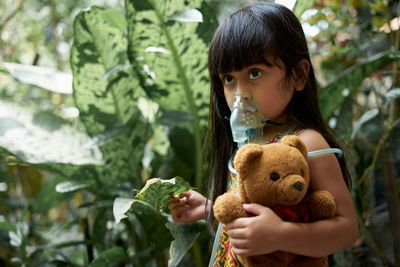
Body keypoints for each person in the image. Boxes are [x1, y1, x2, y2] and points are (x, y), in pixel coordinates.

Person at [168, 2, 358, 266]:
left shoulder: (306, 142)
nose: (239, 93)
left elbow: (347, 230)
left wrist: (282, 235)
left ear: (299, 75)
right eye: (228, 79)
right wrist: (208, 209)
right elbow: (259, 203)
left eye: (254, 73)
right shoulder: (249, 141)